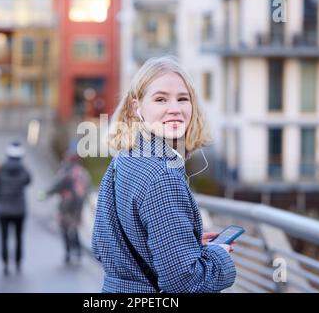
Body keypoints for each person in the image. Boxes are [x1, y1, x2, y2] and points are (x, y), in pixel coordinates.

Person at [92, 56, 236, 293]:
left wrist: (181, 244)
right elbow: (185, 282)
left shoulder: (123, 160)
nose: (175, 109)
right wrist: (218, 255)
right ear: (136, 108)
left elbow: (102, 245)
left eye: (183, 99)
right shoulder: (162, 175)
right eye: (160, 99)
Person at [39, 142, 91, 264]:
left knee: (64, 227)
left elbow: (57, 186)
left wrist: (45, 194)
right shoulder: (82, 172)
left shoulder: (66, 172)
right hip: (78, 205)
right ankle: (77, 251)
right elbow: (88, 188)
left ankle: (68, 251)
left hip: (66, 205)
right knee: (75, 227)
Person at [0, 141, 31, 276]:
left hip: (3, 210)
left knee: (4, 237)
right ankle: (18, 262)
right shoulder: (23, 170)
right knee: (19, 237)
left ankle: (5, 262)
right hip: (19, 210)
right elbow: (29, 180)